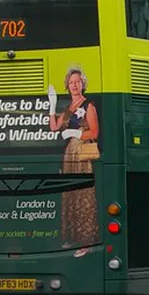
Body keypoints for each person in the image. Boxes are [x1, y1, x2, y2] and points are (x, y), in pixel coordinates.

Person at [48, 67, 100, 258]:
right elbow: (54, 127)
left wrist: (76, 133)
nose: (75, 85)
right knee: (70, 194)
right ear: (67, 86)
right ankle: (72, 237)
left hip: (82, 152)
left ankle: (86, 242)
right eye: (71, 82)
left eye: (78, 82)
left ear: (83, 84)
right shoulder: (69, 108)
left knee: (83, 196)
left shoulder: (89, 106)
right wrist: (52, 105)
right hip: (70, 154)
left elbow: (94, 133)